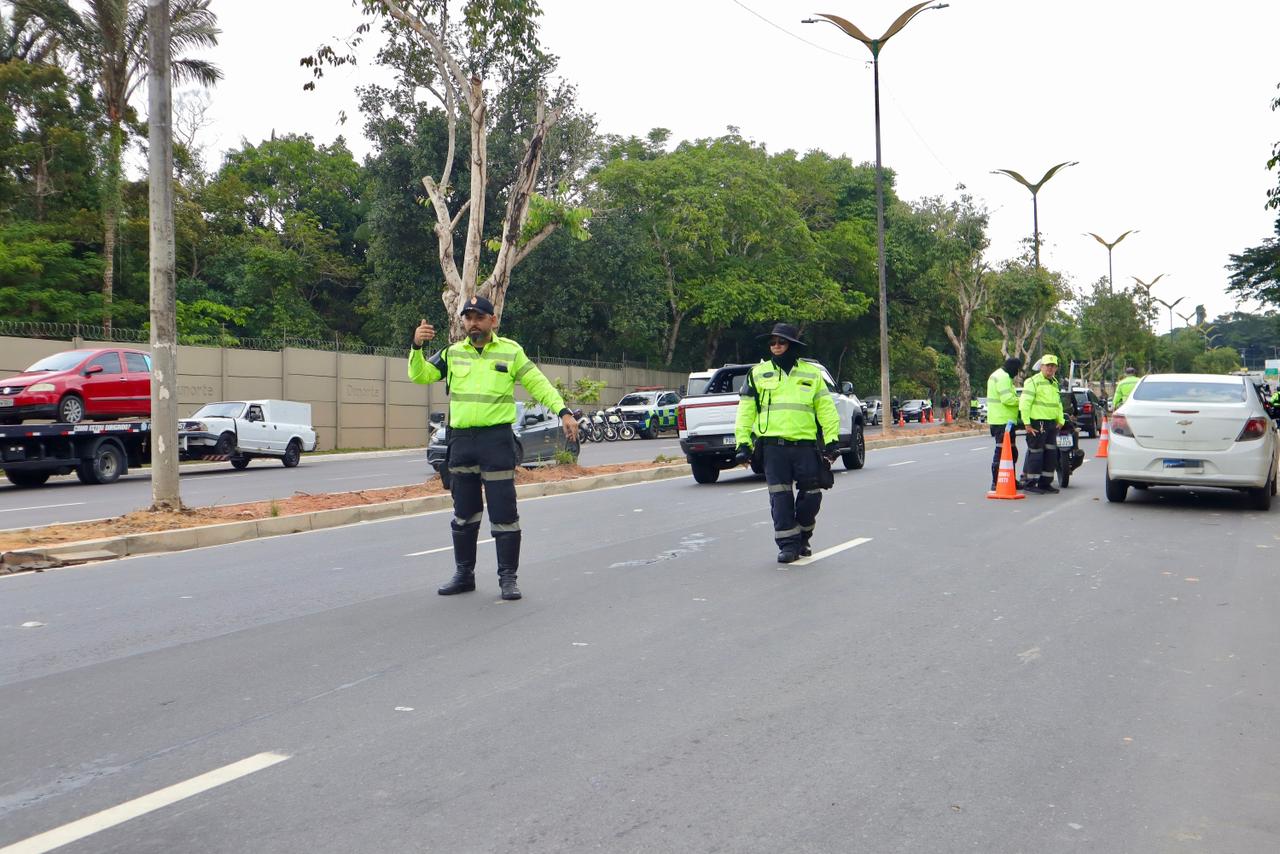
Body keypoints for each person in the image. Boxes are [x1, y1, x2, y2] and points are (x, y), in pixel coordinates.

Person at [409, 296, 578, 600]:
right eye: (468, 318)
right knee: (464, 513)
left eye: (479, 317)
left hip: (496, 441)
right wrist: (417, 347)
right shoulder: (452, 353)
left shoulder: (511, 352)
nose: (472, 323)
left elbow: (538, 384)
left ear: (493, 320)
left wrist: (563, 411)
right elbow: (419, 375)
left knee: (504, 513)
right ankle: (464, 575)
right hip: (461, 441)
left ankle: (508, 579)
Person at [733, 323, 841, 564]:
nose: (776, 346)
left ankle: (803, 536)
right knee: (780, 498)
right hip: (772, 447)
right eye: (772, 342)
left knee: (812, 496)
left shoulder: (811, 374)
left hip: (805, 446)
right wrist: (743, 444)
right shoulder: (757, 374)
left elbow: (826, 409)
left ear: (792, 345)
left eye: (781, 342)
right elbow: (746, 411)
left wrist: (832, 441)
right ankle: (788, 546)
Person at [1019, 354, 1065, 494]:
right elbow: (1024, 403)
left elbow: (1058, 404)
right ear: (1041, 367)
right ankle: (1030, 482)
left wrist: (1061, 420)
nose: (1050, 369)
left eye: (1053, 366)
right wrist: (1026, 424)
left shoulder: (1055, 383)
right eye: (1047, 366)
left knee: (1051, 454)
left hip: (1051, 424)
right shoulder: (1032, 381)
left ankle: (1045, 483)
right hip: (1037, 423)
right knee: (1036, 454)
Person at [986, 356, 1022, 491]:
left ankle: (1010, 479)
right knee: (1002, 451)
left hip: (1002, 420)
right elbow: (1007, 399)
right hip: (1003, 421)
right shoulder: (1004, 377)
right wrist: (1021, 401)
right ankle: (996, 481)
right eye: (1017, 370)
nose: (1017, 373)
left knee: (1010, 451)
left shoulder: (997, 374)